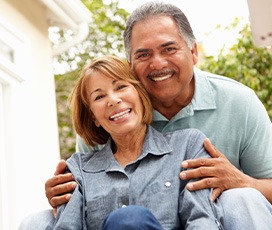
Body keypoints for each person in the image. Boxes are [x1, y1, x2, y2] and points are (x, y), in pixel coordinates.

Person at [19, 1, 272, 229]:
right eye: (143, 54)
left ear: (193, 52)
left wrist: (243, 181)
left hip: (215, 217)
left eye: (169, 49)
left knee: (241, 198)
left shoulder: (237, 103)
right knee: (36, 222)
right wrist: (64, 196)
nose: (157, 63)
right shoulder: (116, 114)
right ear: (130, 64)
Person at [51, 55, 269, 229]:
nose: (113, 100)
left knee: (131, 219)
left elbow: (201, 220)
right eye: (99, 97)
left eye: (121, 87)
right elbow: (66, 227)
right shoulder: (79, 169)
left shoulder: (188, 146)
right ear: (93, 118)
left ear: (140, 95)